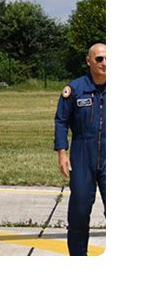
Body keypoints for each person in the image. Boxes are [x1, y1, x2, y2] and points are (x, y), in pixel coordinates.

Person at [54, 43, 106, 256]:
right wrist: (62, 153)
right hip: (82, 153)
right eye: (99, 59)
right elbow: (61, 121)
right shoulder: (74, 89)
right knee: (80, 208)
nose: (104, 63)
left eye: (108, 58)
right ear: (88, 61)